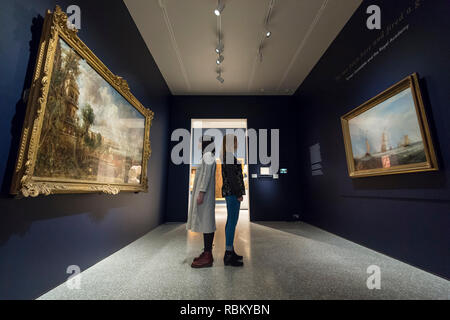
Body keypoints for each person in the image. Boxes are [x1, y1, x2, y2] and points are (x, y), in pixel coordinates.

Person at [187, 136, 217, 268]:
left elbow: (206, 176)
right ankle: (206, 252)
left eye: (200, 142)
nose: (198, 144)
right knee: (206, 222)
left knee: (207, 222)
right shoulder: (206, 156)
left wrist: (201, 192)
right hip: (204, 195)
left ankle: (208, 255)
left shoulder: (208, 155)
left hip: (204, 196)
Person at [221, 134, 245, 267]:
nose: (237, 144)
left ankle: (230, 251)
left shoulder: (228, 156)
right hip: (232, 194)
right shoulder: (229, 156)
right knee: (232, 222)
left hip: (230, 193)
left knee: (231, 221)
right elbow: (232, 177)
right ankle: (228, 254)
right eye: (236, 142)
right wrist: (238, 193)